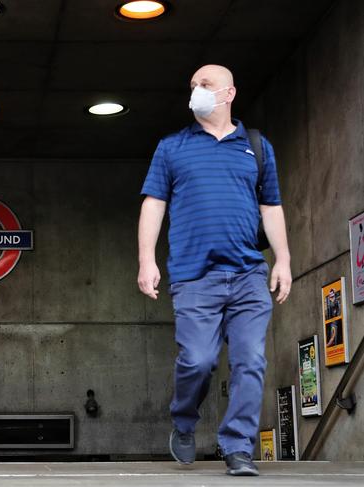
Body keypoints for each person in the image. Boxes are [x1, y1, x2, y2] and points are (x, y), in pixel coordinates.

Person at [137, 64, 292, 476]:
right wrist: (147, 260)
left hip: (247, 274)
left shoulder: (257, 147)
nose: (196, 92)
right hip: (194, 276)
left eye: (205, 85)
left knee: (250, 360)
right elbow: (153, 204)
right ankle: (184, 421)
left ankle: (237, 446)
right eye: (192, 86)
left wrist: (284, 261)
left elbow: (270, 207)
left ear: (229, 93)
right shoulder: (172, 148)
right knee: (199, 360)